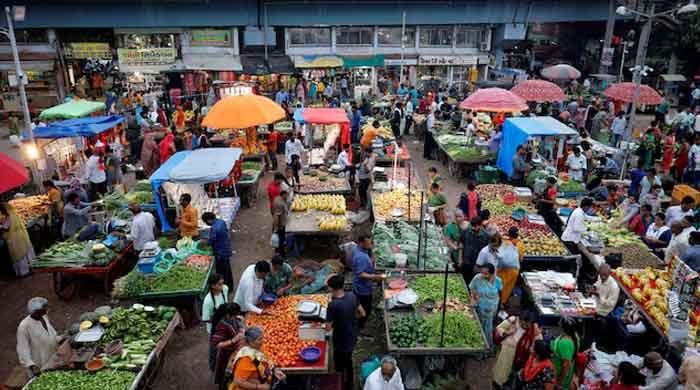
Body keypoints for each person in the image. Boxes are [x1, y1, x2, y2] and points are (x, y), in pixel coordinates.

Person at [326, 274, 364, 390]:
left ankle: (343, 383)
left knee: (340, 363)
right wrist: (350, 318)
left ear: (331, 288)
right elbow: (362, 313)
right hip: (352, 334)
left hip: (341, 338)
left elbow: (328, 327)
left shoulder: (333, 305)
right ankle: (349, 381)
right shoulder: (352, 296)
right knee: (348, 359)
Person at [493, 311, 542, 388]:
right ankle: (498, 384)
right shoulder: (513, 320)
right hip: (507, 352)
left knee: (514, 377)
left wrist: (533, 349)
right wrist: (507, 333)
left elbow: (539, 342)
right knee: (501, 373)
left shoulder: (534, 330)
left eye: (527, 324)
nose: (525, 326)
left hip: (522, 358)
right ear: (520, 319)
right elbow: (499, 328)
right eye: (522, 323)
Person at [16, 297, 60, 378]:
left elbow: (51, 333)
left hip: (51, 358)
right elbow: (22, 350)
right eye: (44, 307)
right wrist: (31, 365)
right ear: (36, 311)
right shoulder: (24, 327)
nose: (47, 309)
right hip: (39, 365)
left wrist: (59, 339)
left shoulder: (44, 317)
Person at [352, 235, 386, 329]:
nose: (371, 245)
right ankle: (360, 325)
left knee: (359, 305)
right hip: (363, 288)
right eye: (369, 243)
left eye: (371, 242)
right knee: (364, 308)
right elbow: (360, 274)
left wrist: (371, 260)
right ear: (361, 243)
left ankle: (358, 322)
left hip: (358, 284)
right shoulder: (361, 257)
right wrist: (376, 277)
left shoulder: (357, 249)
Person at [210, 303, 245, 390]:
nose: (237, 316)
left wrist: (241, 328)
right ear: (228, 315)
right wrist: (233, 340)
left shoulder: (232, 318)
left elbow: (238, 325)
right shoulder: (221, 325)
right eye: (235, 315)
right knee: (224, 376)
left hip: (233, 351)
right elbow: (217, 344)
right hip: (225, 354)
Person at [469, 263, 502, 347]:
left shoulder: (498, 281)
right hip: (479, 306)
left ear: (492, 273)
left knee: (487, 327)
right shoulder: (477, 278)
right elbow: (472, 288)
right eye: (482, 273)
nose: (483, 275)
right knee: (477, 325)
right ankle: (477, 344)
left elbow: (499, 294)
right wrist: (474, 297)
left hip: (491, 309)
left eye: (486, 274)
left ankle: (486, 345)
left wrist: (497, 307)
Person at [1, 203, 35, 277]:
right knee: (26, 253)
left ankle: (23, 272)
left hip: (15, 239)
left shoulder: (9, 217)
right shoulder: (14, 214)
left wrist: (1, 227)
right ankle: (31, 268)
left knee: (19, 255)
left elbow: (6, 228)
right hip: (22, 236)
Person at [203, 212, 233, 290]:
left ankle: (224, 288)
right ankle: (230, 286)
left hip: (220, 252)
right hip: (226, 248)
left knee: (221, 272)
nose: (207, 224)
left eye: (206, 222)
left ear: (209, 220)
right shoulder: (221, 221)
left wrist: (205, 242)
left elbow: (211, 241)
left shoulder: (215, 228)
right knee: (227, 269)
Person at [550, 317, 580, 390]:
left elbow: (566, 365)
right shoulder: (575, 335)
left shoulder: (564, 343)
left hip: (560, 372)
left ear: (563, 328)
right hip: (568, 370)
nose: (558, 324)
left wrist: (559, 381)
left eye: (560, 324)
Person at [459, 216, 489, 282]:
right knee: (464, 280)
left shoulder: (486, 236)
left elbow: (487, 252)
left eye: (476, 226)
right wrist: (460, 258)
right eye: (472, 226)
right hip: (466, 262)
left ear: (481, 226)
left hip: (477, 265)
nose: (473, 228)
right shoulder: (466, 232)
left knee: (475, 282)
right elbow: (461, 244)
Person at [498, 229, 522, 305]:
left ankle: (497, 300)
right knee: (507, 288)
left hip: (500, 270)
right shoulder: (519, 244)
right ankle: (502, 302)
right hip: (512, 272)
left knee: (498, 285)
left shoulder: (502, 241)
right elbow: (520, 259)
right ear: (517, 236)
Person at [272, 190, 289, 257]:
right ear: (283, 194)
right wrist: (276, 228)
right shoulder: (279, 203)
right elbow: (276, 216)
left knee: (281, 239)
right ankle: (281, 254)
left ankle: (279, 251)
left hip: (281, 223)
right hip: (279, 225)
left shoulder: (279, 199)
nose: (288, 196)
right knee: (280, 240)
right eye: (287, 195)